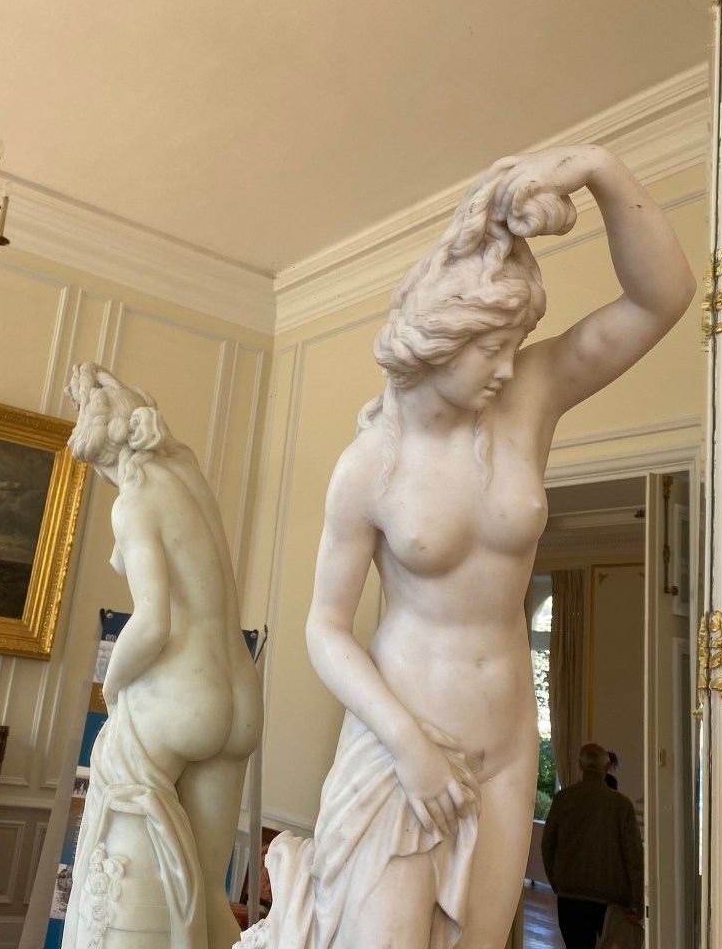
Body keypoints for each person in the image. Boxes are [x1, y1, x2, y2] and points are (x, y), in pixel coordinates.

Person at [237, 145, 694, 949]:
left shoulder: (530, 399)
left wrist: (598, 166)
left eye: (516, 345)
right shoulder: (368, 467)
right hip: (403, 744)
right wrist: (407, 743)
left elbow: (663, 298)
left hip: (509, 746)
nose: (509, 367)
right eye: (493, 349)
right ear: (441, 342)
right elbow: (325, 627)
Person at [63, 363, 263, 949]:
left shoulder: (133, 503)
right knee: (209, 897)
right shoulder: (186, 471)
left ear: (104, 455)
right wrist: (103, 390)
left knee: (120, 886)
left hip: (176, 695)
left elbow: (152, 622)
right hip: (239, 696)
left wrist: (113, 685)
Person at [541, 743, 644, 949]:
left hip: (570, 894)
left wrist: (557, 882)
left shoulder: (563, 799)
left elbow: (548, 844)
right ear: (606, 767)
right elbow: (633, 856)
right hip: (611, 901)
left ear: (580, 765)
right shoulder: (621, 805)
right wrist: (637, 901)